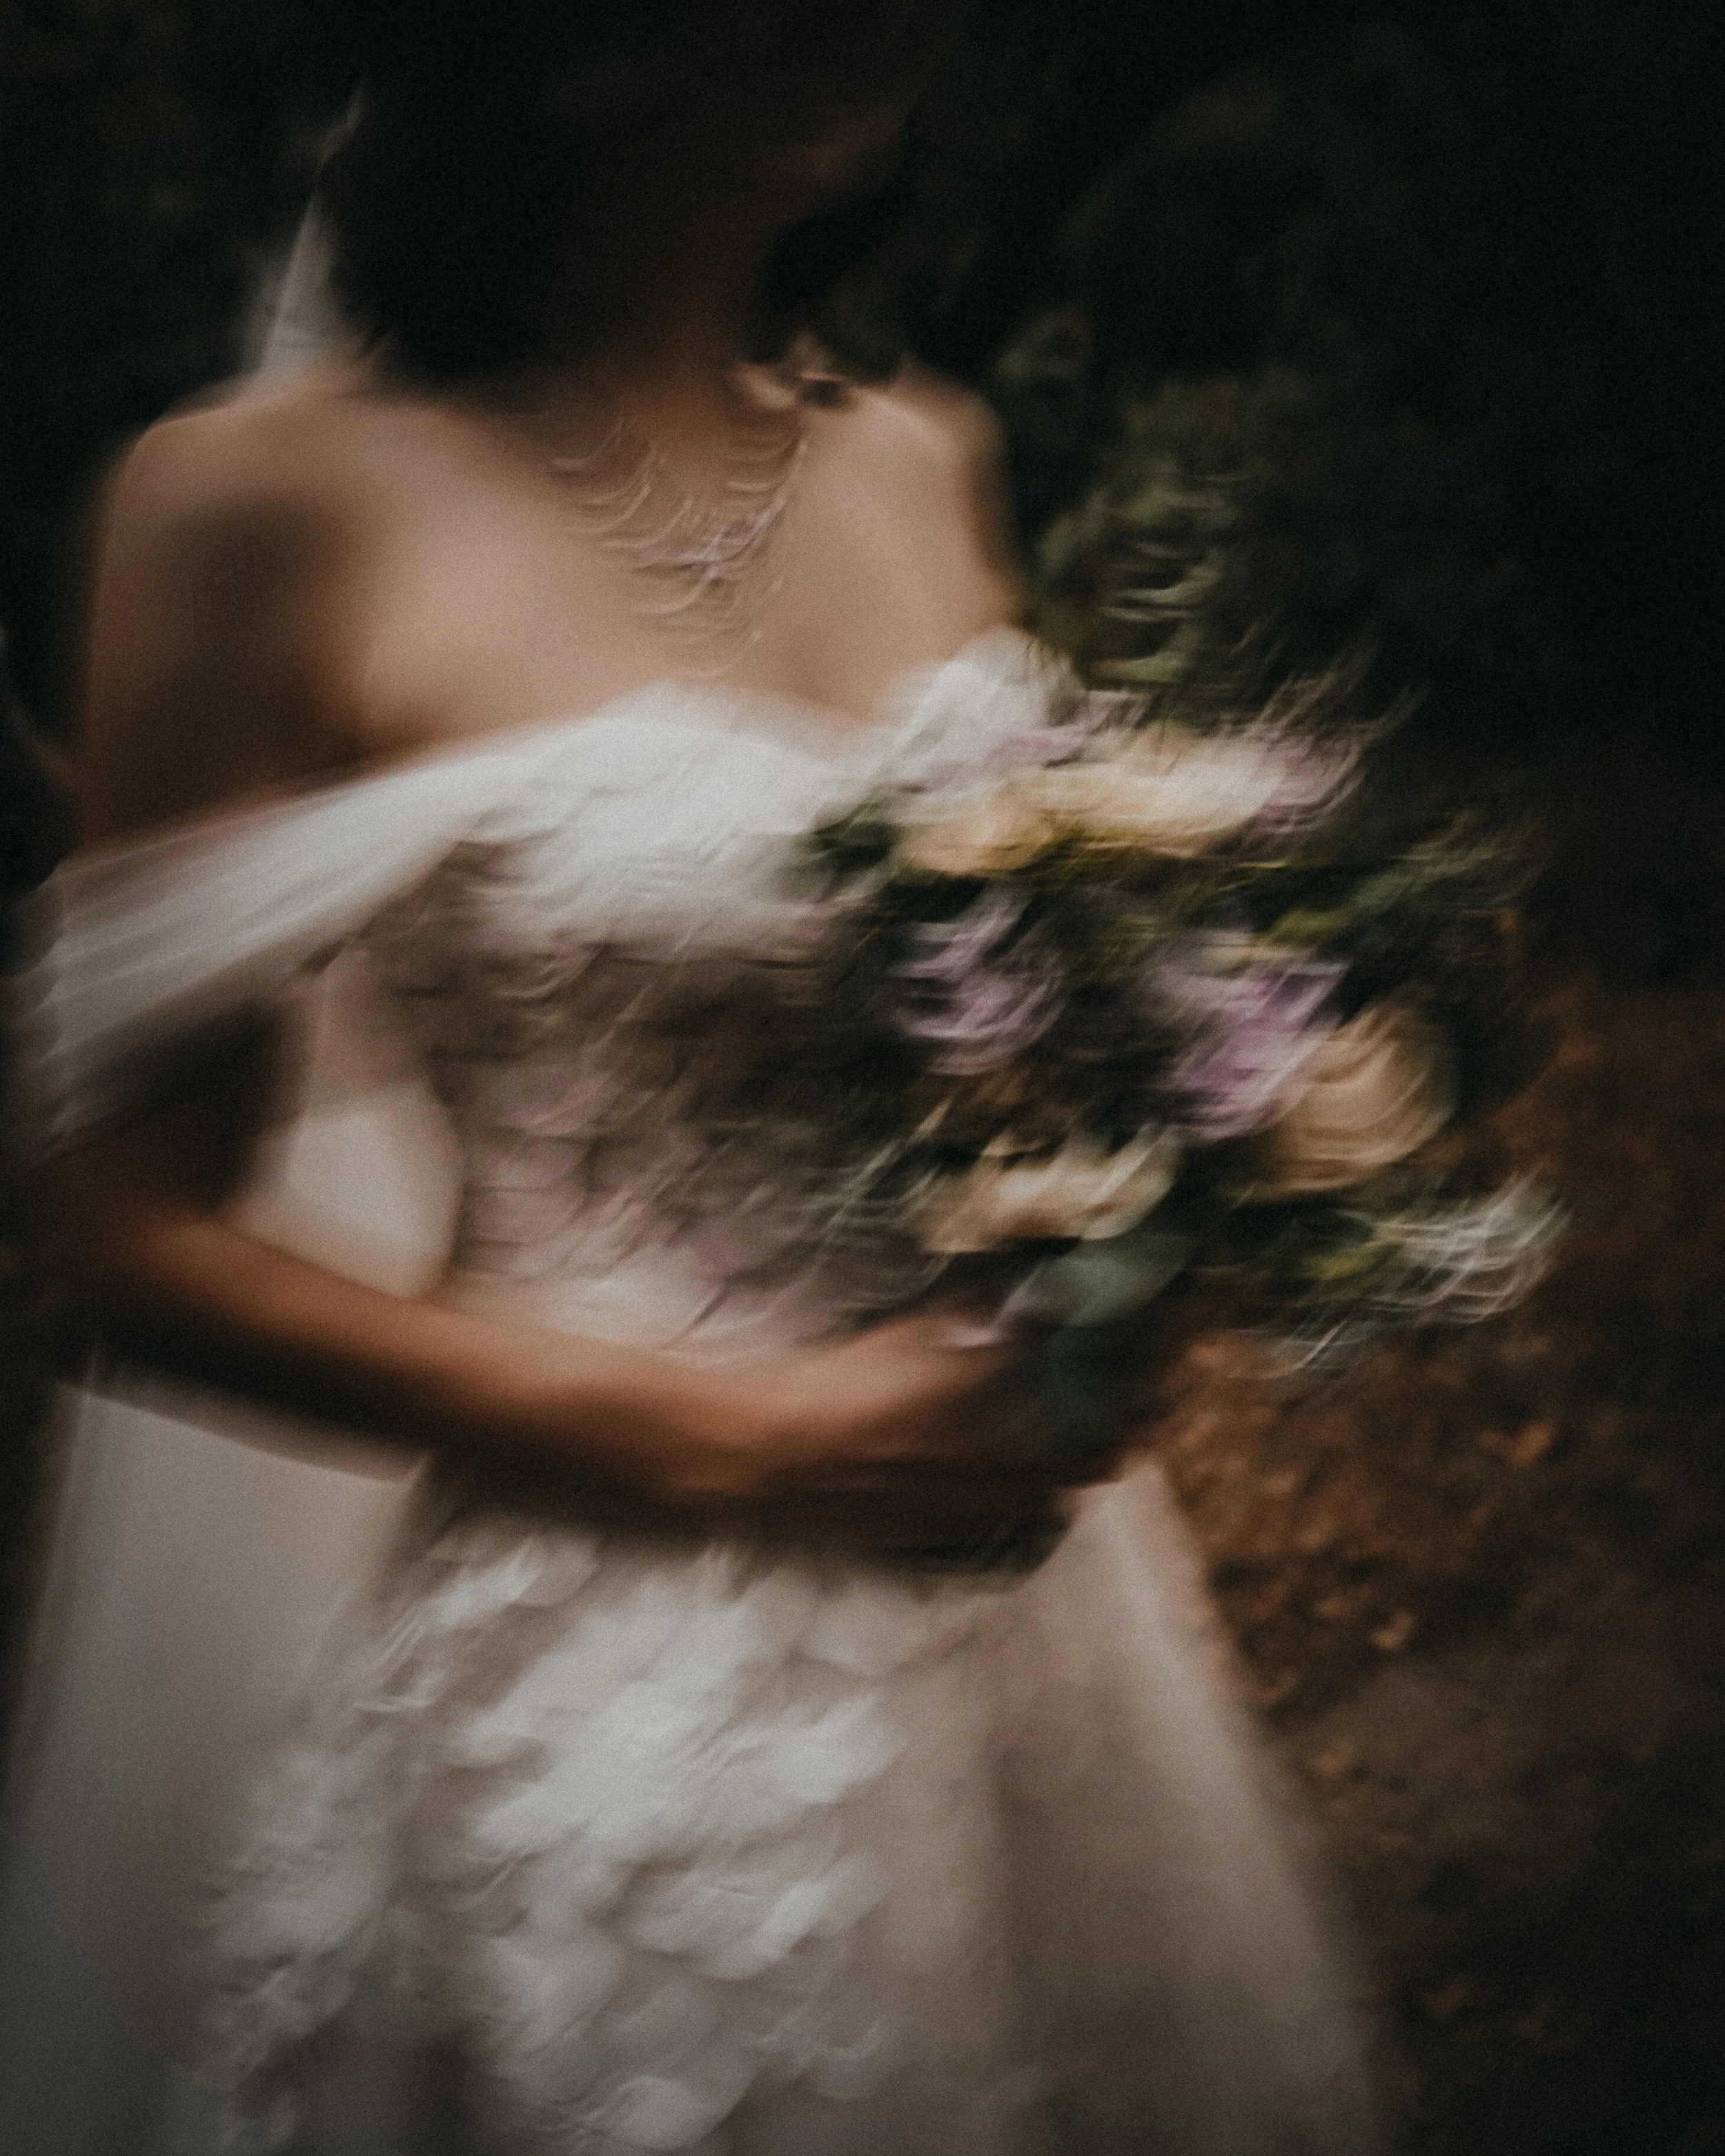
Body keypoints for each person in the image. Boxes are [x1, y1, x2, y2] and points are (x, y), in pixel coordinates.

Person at [0, 5, 1388, 2150]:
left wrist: (1173, 1205)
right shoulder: (249, 508)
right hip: (614, 1638)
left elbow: (1014, 1008)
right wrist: (728, 1435)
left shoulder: (922, 454)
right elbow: (111, 1221)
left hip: (1019, 1598)